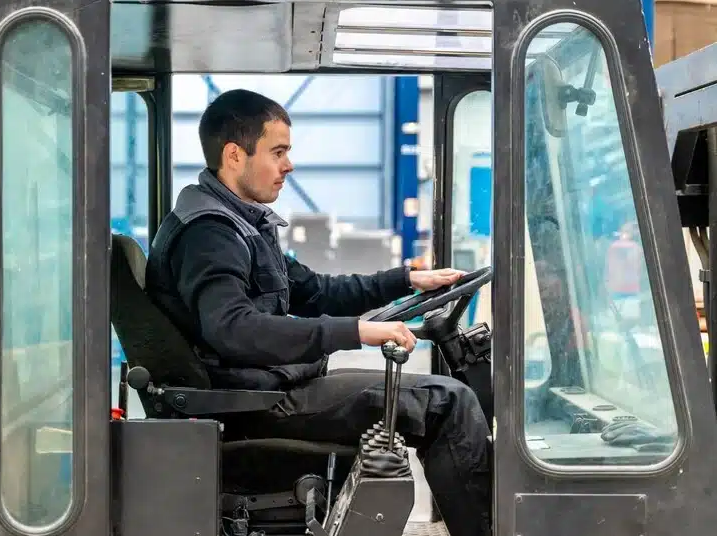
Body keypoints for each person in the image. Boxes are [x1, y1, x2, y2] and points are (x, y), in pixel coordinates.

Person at [146, 89, 491, 536]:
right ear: (234, 155)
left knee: (440, 398)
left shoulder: (243, 225)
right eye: (278, 152)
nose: (288, 166)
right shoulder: (211, 235)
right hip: (257, 405)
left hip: (271, 386)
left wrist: (407, 280)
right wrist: (359, 332)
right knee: (448, 402)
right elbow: (233, 329)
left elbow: (315, 291)